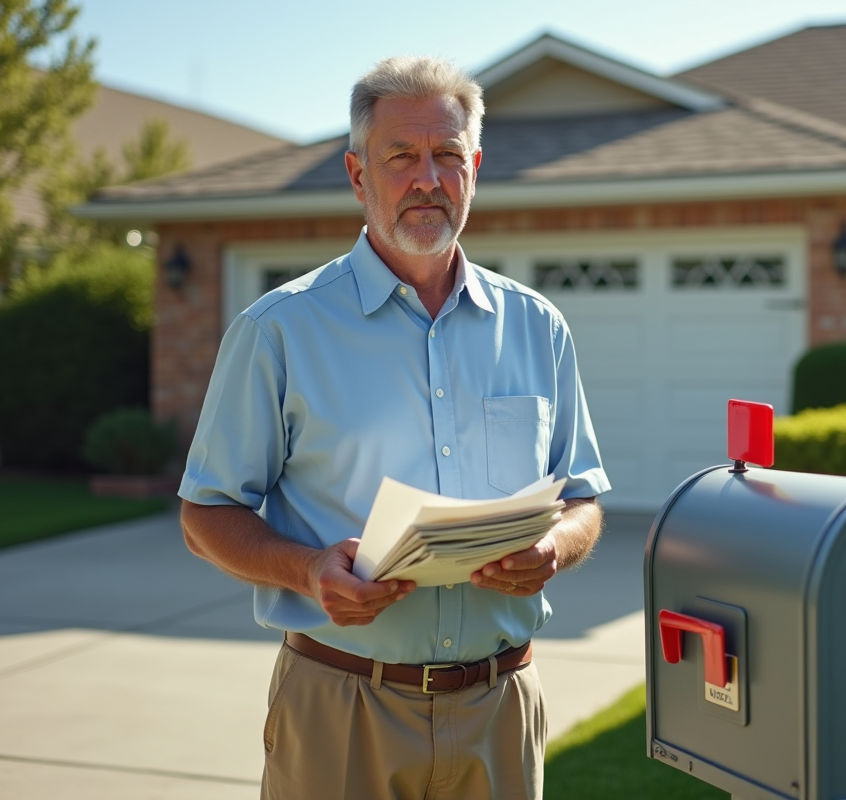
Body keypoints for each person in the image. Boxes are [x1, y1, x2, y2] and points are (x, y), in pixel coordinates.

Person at [178, 55, 609, 800]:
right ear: (357, 175)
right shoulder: (280, 329)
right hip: (342, 708)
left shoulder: (539, 327)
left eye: (446, 156)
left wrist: (551, 548)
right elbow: (205, 513)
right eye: (401, 157)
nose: (427, 178)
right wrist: (309, 570)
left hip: (500, 708)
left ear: (474, 167)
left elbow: (583, 500)